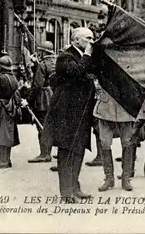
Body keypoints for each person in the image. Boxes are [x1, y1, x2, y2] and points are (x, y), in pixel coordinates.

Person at [43, 27, 96, 203]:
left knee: (79, 149)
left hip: (81, 112)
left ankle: (75, 187)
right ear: (76, 40)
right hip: (66, 112)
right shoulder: (66, 57)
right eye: (88, 38)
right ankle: (66, 192)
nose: (91, 41)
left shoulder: (82, 56)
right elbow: (75, 73)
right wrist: (88, 56)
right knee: (66, 151)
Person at [92, 80, 137, 192]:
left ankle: (126, 178)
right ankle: (109, 178)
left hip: (125, 105)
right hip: (106, 104)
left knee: (127, 141)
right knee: (105, 143)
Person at [26, 41, 57, 163]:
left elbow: (37, 84)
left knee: (42, 125)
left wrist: (29, 99)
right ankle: (47, 152)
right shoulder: (55, 62)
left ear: (44, 52)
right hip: (54, 96)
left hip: (43, 98)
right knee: (49, 125)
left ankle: (44, 154)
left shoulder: (43, 65)